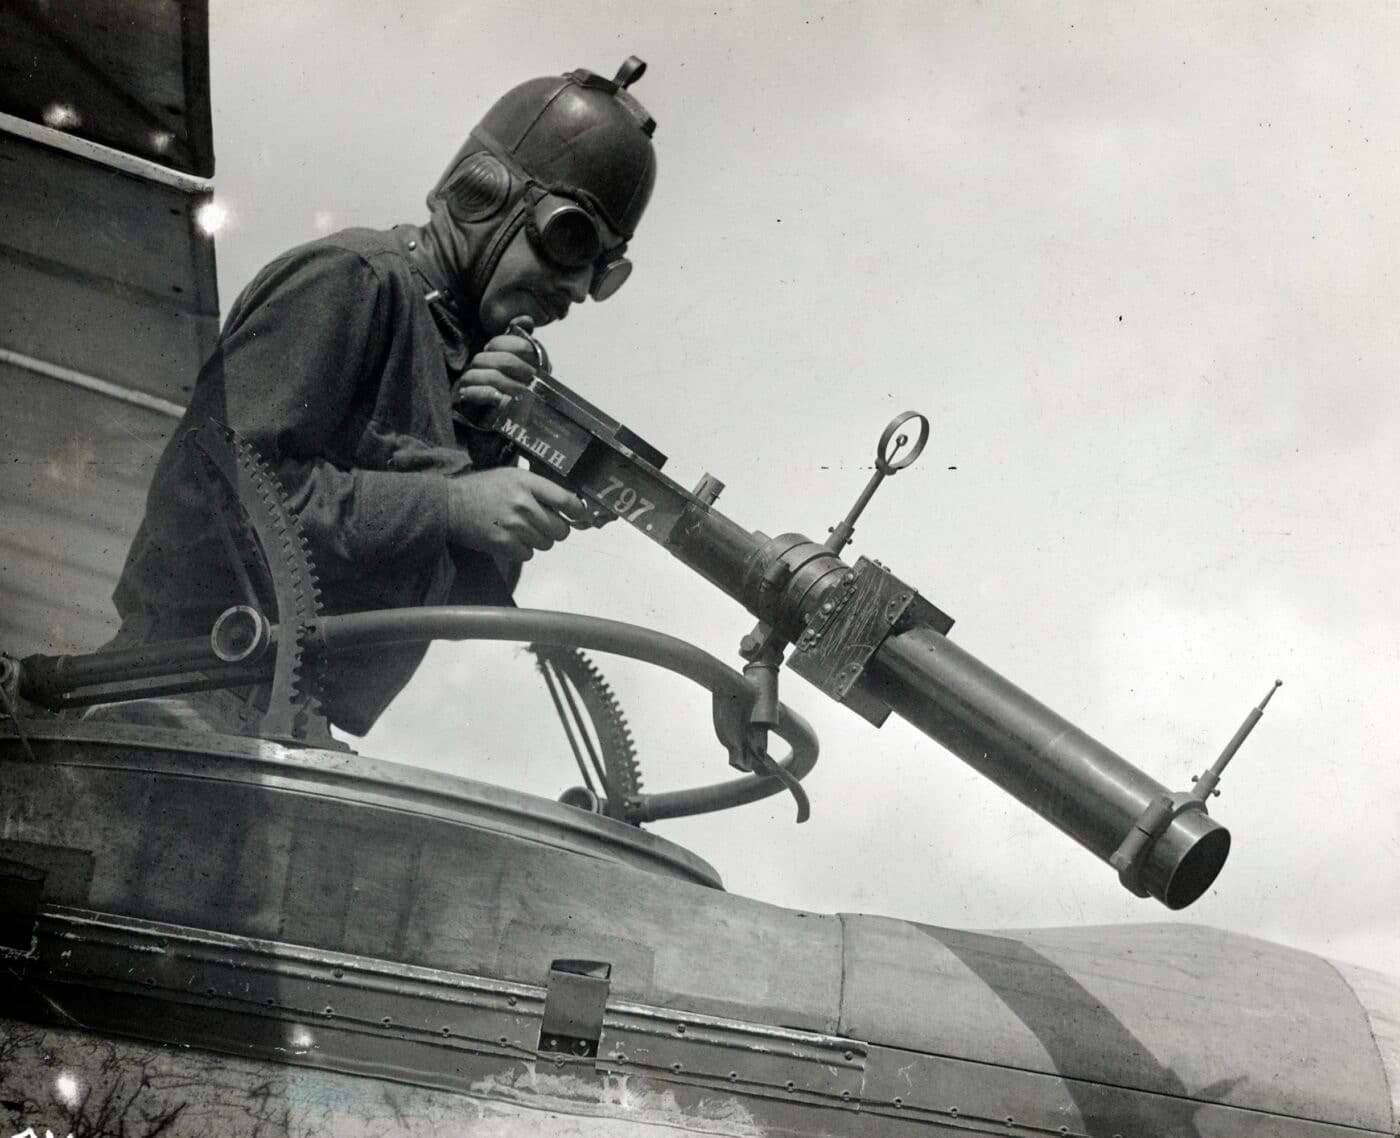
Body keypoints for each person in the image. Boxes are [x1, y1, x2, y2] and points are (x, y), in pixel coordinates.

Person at [100, 59, 658, 737]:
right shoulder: (351, 281)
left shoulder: (467, 365)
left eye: (600, 272)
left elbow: (456, 605)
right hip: (178, 699)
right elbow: (201, 501)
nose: (574, 291)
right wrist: (449, 503)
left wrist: (506, 460)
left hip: (287, 725)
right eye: (569, 245)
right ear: (484, 193)